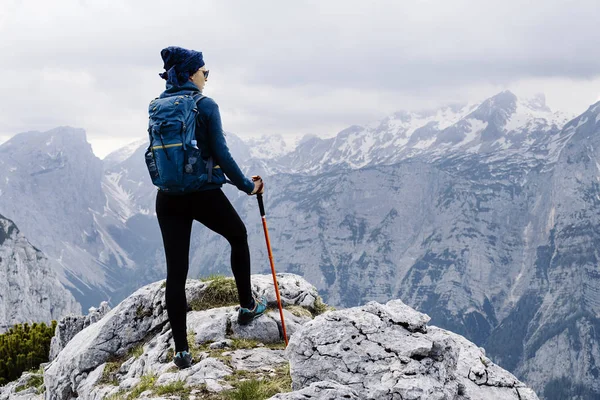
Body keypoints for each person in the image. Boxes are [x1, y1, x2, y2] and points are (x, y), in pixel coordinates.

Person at [154, 46, 267, 370]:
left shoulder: (160, 106)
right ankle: (246, 304)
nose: (207, 78)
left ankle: (182, 351)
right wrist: (248, 185)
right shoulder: (205, 105)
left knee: (176, 272)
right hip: (202, 193)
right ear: (191, 74)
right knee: (238, 235)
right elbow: (221, 153)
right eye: (205, 72)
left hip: (168, 196)